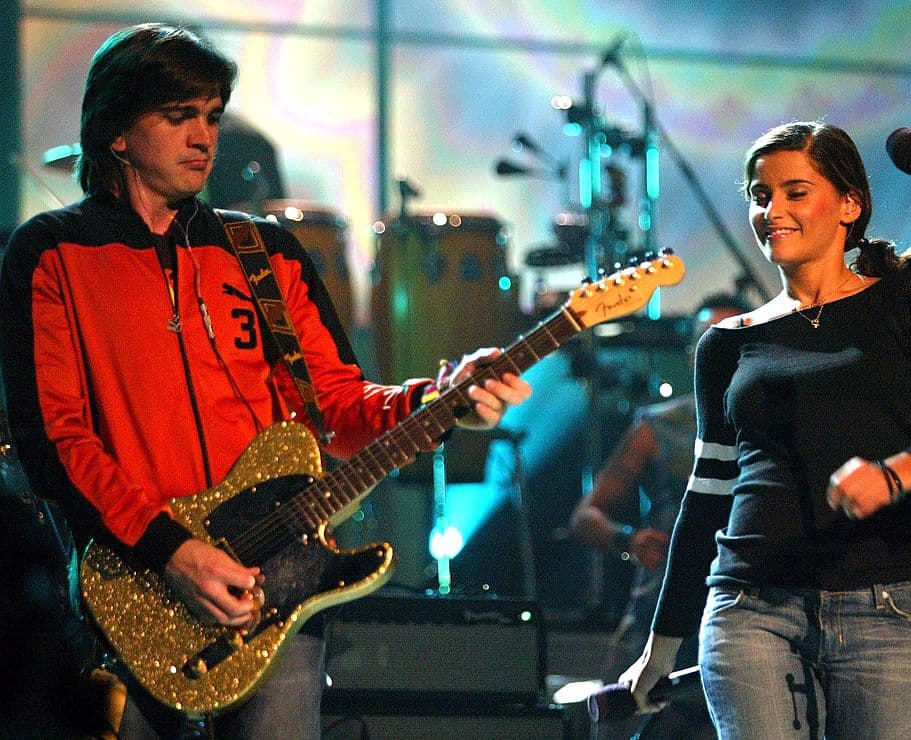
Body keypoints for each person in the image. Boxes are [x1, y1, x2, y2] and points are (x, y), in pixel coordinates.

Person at [0, 23, 530, 739]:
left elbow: (337, 406)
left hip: (280, 583)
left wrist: (438, 401)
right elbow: (55, 438)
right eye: (179, 116)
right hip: (134, 588)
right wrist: (172, 551)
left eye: (211, 116)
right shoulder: (51, 252)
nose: (203, 137)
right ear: (117, 132)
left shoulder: (265, 252)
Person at [619, 121, 911, 739]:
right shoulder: (726, 344)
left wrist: (891, 477)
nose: (772, 211)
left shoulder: (910, 301)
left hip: (885, 608)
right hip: (751, 609)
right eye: (760, 196)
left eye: (795, 192)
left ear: (850, 205)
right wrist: (661, 647)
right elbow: (706, 498)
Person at [569, 292, 750, 738]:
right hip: (661, 604)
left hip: (746, 613)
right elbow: (586, 516)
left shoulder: (776, 426)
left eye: (732, 341)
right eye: (708, 341)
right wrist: (628, 540)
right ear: (692, 353)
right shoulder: (658, 426)